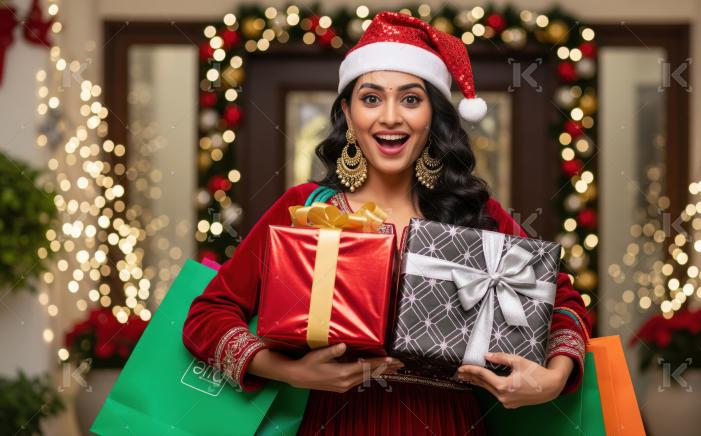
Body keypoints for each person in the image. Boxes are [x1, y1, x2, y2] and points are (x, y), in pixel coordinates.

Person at [183, 11, 590, 435]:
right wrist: (291, 372)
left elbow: (563, 302)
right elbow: (208, 315)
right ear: (348, 112)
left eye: (411, 99)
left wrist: (553, 378)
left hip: (449, 424)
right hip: (337, 424)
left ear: (433, 115)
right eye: (371, 98)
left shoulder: (475, 212)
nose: (391, 117)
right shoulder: (306, 208)